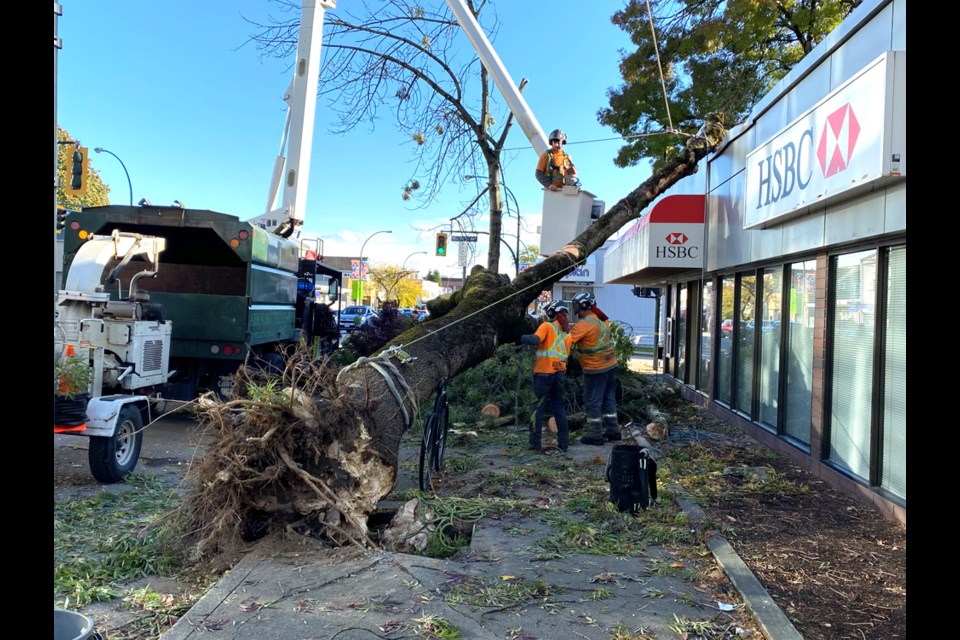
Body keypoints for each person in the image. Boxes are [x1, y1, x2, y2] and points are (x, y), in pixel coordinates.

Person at [568, 291, 621, 445]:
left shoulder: (584, 325)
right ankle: (613, 431)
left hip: (596, 368)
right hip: (610, 365)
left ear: (585, 305)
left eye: (577, 306)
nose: (576, 309)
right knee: (608, 399)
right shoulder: (602, 320)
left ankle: (595, 435)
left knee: (592, 401)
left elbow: (566, 343)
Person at [519, 300, 573, 452]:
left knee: (537, 408)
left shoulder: (546, 326)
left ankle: (535, 444)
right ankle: (563, 444)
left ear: (551, 313)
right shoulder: (567, 335)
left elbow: (536, 340)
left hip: (543, 374)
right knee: (559, 408)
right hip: (559, 376)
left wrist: (518, 337)